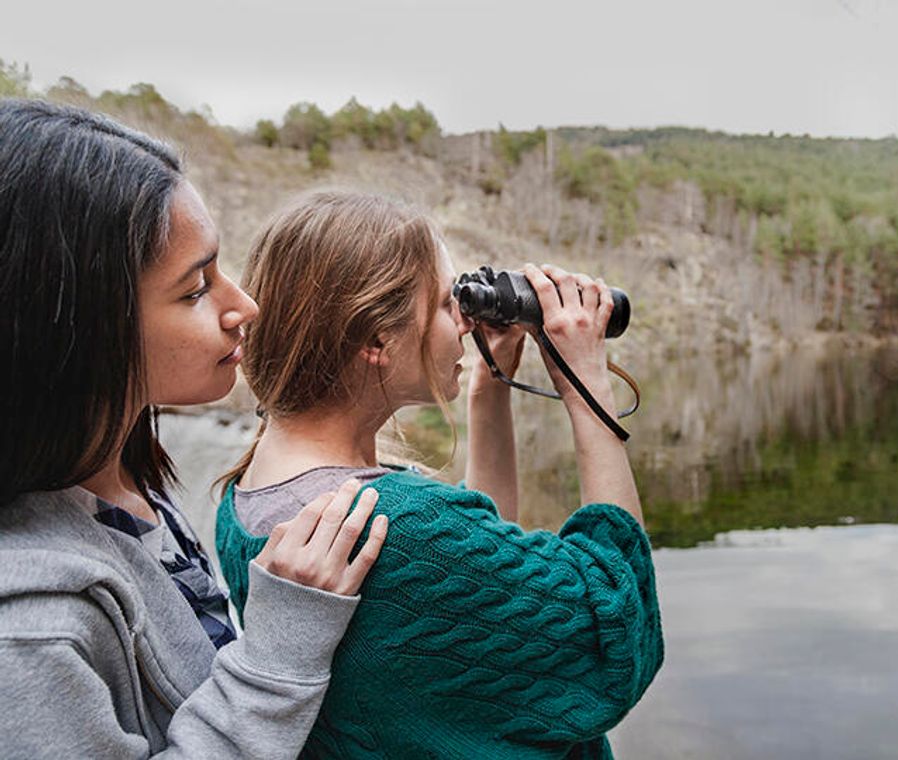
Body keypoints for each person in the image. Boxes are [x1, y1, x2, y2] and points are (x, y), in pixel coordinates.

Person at [0, 99, 389, 758]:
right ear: (70, 330)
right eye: (193, 291)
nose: (246, 307)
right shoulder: (28, 631)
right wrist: (277, 651)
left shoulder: (112, 476)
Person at [214, 190, 664, 758]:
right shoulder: (399, 528)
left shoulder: (250, 492)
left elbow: (477, 564)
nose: (466, 323)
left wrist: (488, 386)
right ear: (377, 339)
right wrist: (588, 387)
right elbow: (618, 630)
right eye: (450, 303)